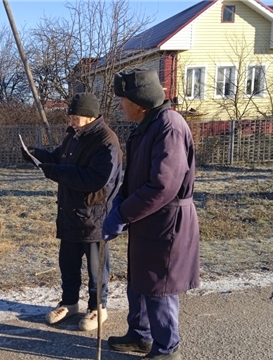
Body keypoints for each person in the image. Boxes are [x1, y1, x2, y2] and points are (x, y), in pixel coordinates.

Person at [102, 68, 200, 360]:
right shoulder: (147, 125)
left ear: (140, 102)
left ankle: (167, 349)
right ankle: (140, 335)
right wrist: (119, 203)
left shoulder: (169, 126)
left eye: (123, 100)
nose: (120, 105)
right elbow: (135, 177)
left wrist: (122, 215)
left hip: (167, 222)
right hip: (146, 218)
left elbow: (163, 186)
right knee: (140, 280)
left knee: (160, 287)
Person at [21, 92, 123, 331]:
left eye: (74, 117)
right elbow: (59, 159)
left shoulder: (106, 141)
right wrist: (36, 155)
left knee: (96, 268)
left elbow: (94, 179)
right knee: (68, 263)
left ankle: (98, 308)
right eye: (71, 117)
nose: (70, 121)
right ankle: (69, 303)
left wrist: (53, 171)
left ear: (89, 117)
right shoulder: (74, 136)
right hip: (69, 212)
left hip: (95, 216)